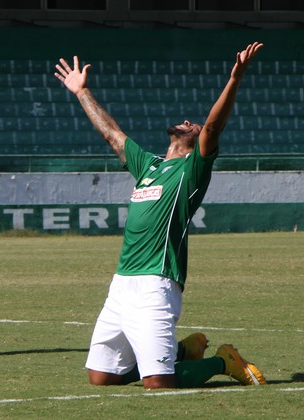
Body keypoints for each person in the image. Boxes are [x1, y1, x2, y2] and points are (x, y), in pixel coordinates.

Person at [54, 42, 265, 388]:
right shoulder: (148, 165)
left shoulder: (191, 170)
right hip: (121, 283)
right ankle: (182, 351)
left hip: (157, 281)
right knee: (102, 377)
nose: (187, 121)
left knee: (157, 384)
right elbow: (112, 134)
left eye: (192, 124)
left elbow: (213, 127)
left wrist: (235, 78)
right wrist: (82, 91)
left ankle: (222, 361)